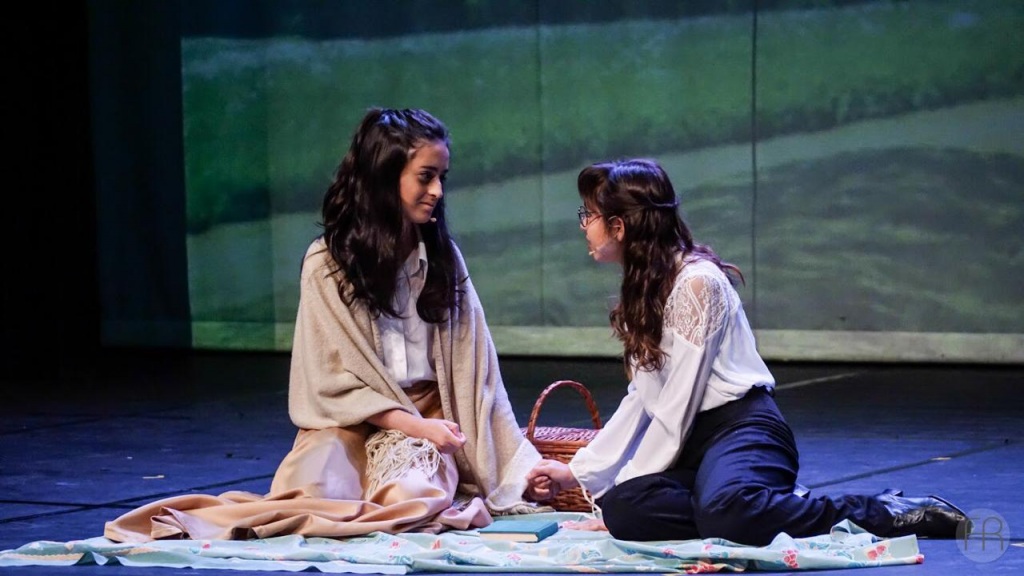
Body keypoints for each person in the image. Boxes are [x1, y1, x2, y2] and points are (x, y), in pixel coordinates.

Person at [105, 108, 545, 543]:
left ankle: (384, 505)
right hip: (348, 421)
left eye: (441, 178)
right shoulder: (328, 263)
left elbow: (479, 377)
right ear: (384, 177)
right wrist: (410, 425)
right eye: (425, 177)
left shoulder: (443, 258)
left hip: (430, 418)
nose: (437, 191)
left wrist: (522, 470)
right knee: (310, 491)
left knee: (414, 499)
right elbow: (329, 383)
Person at [524, 158, 970, 546]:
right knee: (626, 509)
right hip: (692, 446)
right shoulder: (646, 287)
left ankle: (879, 511)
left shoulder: (698, 283)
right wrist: (580, 472)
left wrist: (619, 486)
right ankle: (754, 504)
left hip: (742, 430)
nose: (584, 225)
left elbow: (677, 405)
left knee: (721, 513)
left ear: (619, 226)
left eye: (589, 215)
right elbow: (643, 396)